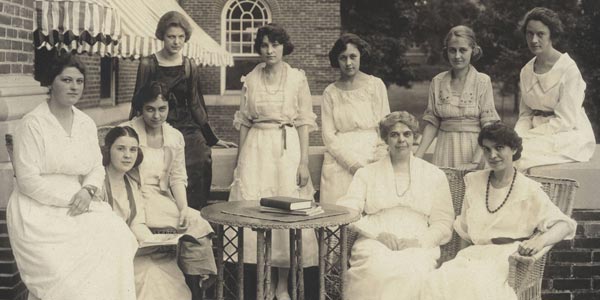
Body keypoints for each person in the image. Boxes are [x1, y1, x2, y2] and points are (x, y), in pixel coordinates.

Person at [6, 53, 137, 300]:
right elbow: (27, 181)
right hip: (37, 210)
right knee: (71, 278)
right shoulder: (32, 123)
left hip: (80, 200)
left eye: (79, 81)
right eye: (66, 80)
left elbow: (96, 167)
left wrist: (87, 191)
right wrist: (73, 198)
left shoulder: (86, 123)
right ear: (50, 83)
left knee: (117, 234)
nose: (74, 87)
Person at [420, 122, 576, 300]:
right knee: (437, 281)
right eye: (487, 149)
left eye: (499, 148)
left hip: (506, 258)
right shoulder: (474, 182)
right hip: (473, 255)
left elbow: (564, 225)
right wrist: (457, 260)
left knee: (480, 285)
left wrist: (540, 241)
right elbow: (464, 231)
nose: (492, 155)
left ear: (514, 149)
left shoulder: (528, 189)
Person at [229, 23, 318, 300]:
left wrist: (303, 161)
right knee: (257, 209)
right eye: (265, 45)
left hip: (286, 148)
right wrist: (240, 161)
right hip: (256, 148)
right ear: (259, 48)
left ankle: (282, 285)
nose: (270, 50)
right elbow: (244, 121)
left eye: (275, 45)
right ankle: (263, 282)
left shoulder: (296, 78)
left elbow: (303, 121)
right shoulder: (251, 78)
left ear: (284, 47)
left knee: (285, 211)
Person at [337, 111, 455, 300]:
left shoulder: (433, 174)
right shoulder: (366, 173)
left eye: (406, 134)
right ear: (385, 139)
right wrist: (377, 235)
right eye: (394, 134)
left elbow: (443, 221)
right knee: (375, 269)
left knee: (413, 271)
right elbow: (348, 210)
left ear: (415, 137)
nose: (401, 140)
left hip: (418, 237)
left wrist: (420, 242)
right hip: (376, 236)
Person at [129, 11, 236, 210]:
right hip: (157, 121)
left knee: (201, 158)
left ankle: (195, 214)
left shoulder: (189, 65)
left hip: (187, 125)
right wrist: (131, 134)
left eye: (180, 37)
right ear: (162, 36)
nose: (176, 42)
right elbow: (138, 101)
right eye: (171, 36)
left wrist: (212, 138)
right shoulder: (148, 63)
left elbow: (196, 103)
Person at [124, 81, 217, 300]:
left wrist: (183, 207)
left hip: (161, 197)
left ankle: (198, 279)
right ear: (140, 108)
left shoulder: (174, 136)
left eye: (162, 109)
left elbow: (177, 177)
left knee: (197, 221)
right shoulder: (129, 132)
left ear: (169, 108)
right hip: (134, 197)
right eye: (150, 109)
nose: (156, 116)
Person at [101, 126, 195, 300]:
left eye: (133, 149)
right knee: (148, 274)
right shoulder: (98, 181)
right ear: (108, 150)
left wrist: (152, 241)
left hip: (132, 249)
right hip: (108, 252)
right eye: (120, 149)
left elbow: (137, 222)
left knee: (166, 269)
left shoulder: (131, 182)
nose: (127, 155)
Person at [514, 7, 595, 171]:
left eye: (540, 34)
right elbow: (525, 114)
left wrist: (528, 137)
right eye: (529, 33)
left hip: (568, 134)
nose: (534, 40)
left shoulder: (568, 70)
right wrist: (516, 136)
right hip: (535, 132)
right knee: (505, 151)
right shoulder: (526, 71)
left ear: (552, 35)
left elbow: (565, 121)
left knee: (520, 156)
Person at [415, 25, 500, 169]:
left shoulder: (482, 81)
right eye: (452, 50)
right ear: (446, 51)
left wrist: (475, 161)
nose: (457, 56)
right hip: (444, 148)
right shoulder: (437, 81)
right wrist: (417, 157)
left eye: (463, 50)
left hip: (475, 148)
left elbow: (488, 125)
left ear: (472, 50)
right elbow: (432, 123)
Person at [320, 33, 390, 206]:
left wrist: (379, 159)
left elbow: (386, 125)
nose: (348, 63)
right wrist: (351, 164)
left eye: (353, 56)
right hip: (340, 159)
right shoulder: (330, 92)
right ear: (337, 60)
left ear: (361, 56)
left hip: (370, 155)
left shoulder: (375, 85)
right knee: (339, 212)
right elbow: (328, 135)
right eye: (343, 58)